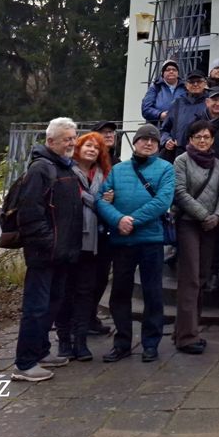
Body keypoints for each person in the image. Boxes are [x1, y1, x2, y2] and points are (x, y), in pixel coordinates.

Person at [96, 123, 175, 363]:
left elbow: (162, 201)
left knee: (153, 293)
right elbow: (100, 199)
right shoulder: (117, 170)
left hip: (150, 240)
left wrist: (132, 220)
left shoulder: (166, 168)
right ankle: (122, 342)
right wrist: (118, 220)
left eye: (153, 140)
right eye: (143, 139)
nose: (148, 143)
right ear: (135, 142)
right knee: (120, 293)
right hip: (122, 241)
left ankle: (150, 343)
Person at [11, 118, 83, 382]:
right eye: (66, 139)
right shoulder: (41, 168)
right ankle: (25, 363)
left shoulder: (64, 166)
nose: (72, 143)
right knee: (36, 308)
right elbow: (30, 213)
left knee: (52, 304)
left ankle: (40, 352)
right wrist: (49, 243)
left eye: (74, 138)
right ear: (50, 141)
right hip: (45, 254)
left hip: (61, 253)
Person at [56, 131, 112, 362]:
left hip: (93, 242)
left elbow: (108, 201)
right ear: (78, 148)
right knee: (65, 291)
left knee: (85, 291)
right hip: (68, 239)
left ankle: (80, 341)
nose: (92, 150)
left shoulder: (102, 174)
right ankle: (64, 340)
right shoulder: (66, 171)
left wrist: (105, 201)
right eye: (88, 145)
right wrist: (99, 201)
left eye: (96, 148)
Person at [173, 120, 219, 353]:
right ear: (190, 139)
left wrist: (218, 216)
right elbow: (180, 192)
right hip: (189, 224)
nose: (202, 141)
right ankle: (187, 337)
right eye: (198, 137)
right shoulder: (181, 161)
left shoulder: (217, 163)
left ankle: (188, 328)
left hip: (211, 226)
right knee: (190, 278)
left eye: (206, 137)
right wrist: (204, 215)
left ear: (212, 140)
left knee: (202, 276)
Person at [87, 121, 120, 337]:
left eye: (112, 132)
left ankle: (90, 317)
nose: (109, 135)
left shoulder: (117, 163)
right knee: (84, 277)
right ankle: (76, 320)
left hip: (107, 227)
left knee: (100, 276)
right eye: (104, 133)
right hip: (87, 227)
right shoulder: (87, 161)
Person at [159, 70, 208, 158]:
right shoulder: (177, 103)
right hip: (178, 152)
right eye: (191, 82)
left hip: (203, 153)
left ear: (205, 83)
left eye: (199, 81)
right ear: (186, 85)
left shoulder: (210, 103)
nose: (195, 84)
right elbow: (164, 129)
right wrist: (167, 140)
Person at [141, 59, 187, 124]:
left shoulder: (185, 88)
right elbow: (146, 109)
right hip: (159, 126)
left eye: (174, 70)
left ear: (178, 73)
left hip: (181, 126)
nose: (171, 71)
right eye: (167, 70)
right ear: (163, 73)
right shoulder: (155, 87)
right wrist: (160, 115)